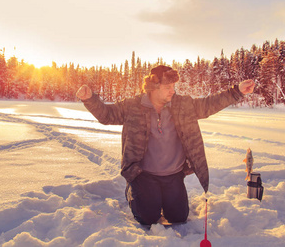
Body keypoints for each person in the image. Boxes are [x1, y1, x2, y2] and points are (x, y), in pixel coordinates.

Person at [76, 65, 255, 226]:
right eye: (168, 87)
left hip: (173, 175)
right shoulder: (132, 106)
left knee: (179, 217)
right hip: (143, 174)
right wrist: (90, 99)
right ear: (154, 87)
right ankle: (133, 191)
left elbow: (209, 104)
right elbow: (107, 115)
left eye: (173, 87)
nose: (172, 91)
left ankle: (162, 197)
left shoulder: (182, 105)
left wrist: (237, 91)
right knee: (147, 218)